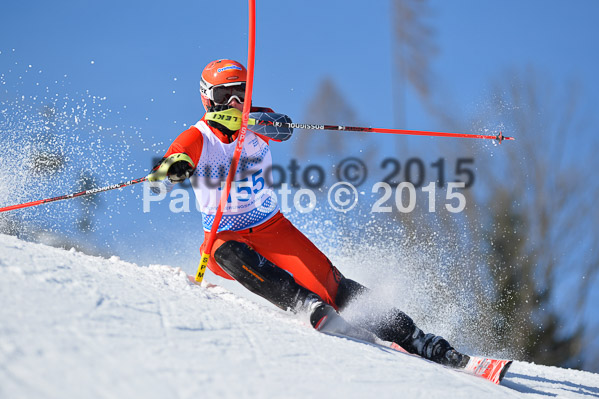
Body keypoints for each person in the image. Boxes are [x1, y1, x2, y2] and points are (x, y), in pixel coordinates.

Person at [148, 59, 469, 368]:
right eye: (225, 95)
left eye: (241, 93)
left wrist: (261, 122)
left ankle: (417, 339)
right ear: (207, 99)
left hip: (271, 228)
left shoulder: (255, 122)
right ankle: (306, 305)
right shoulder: (198, 136)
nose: (234, 102)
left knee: (335, 286)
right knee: (226, 252)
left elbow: (280, 128)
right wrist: (174, 168)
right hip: (223, 235)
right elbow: (165, 171)